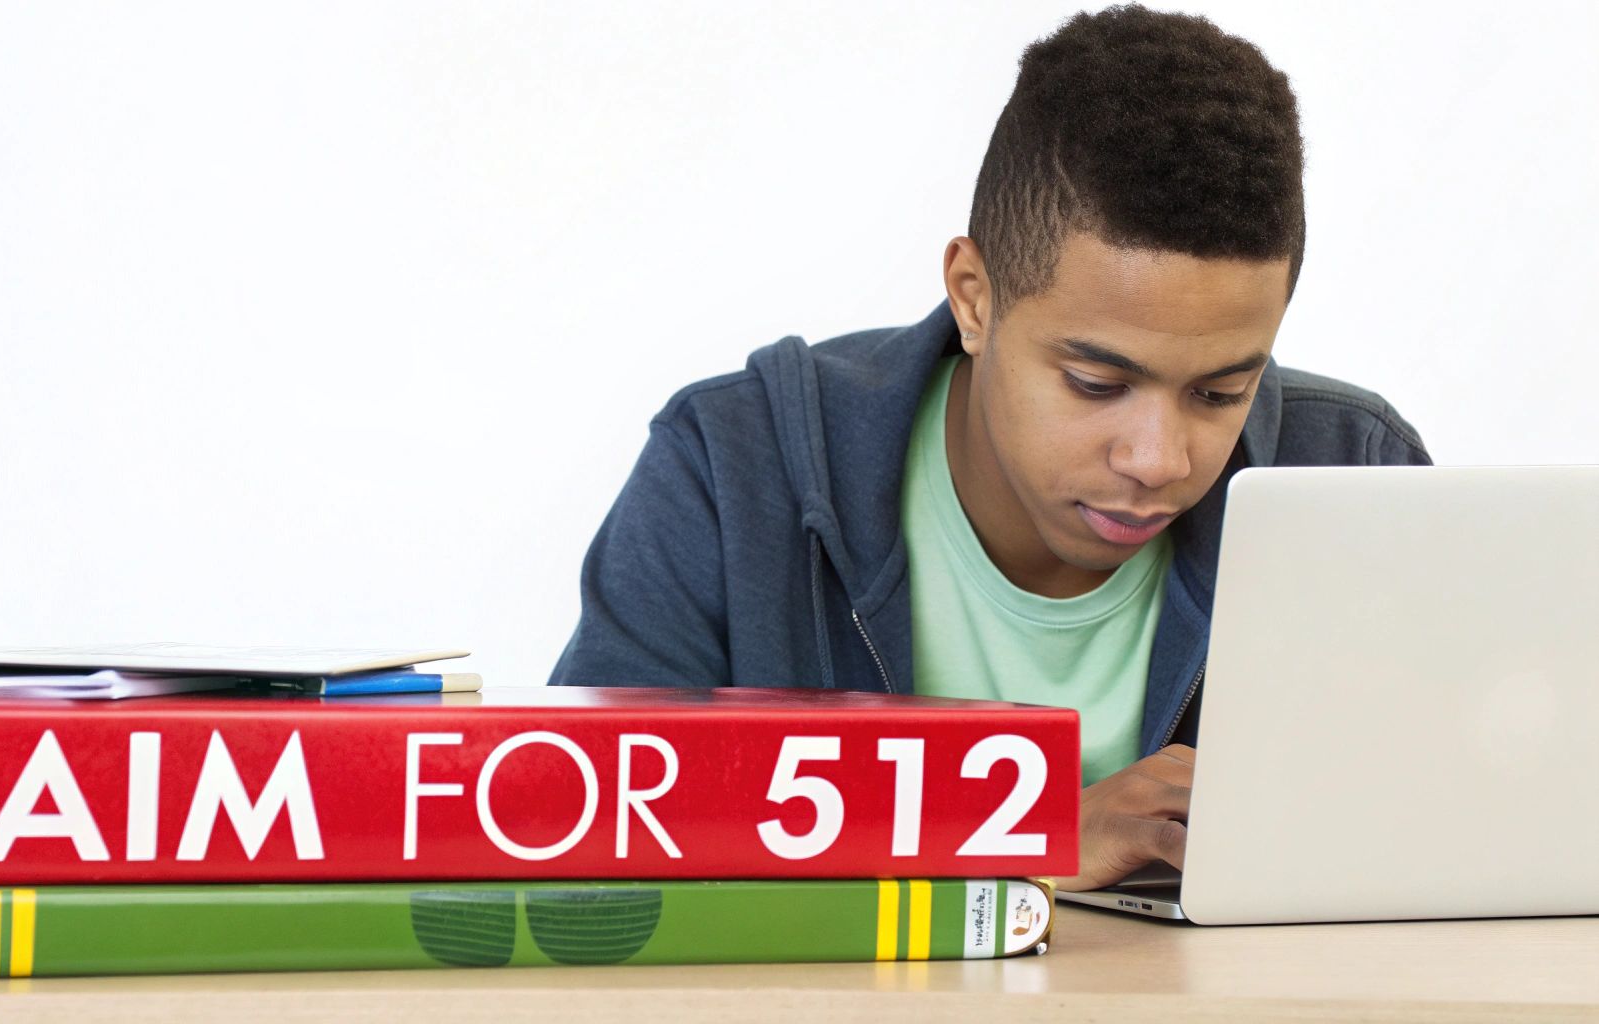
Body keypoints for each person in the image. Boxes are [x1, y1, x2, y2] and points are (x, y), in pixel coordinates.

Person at [547, 4, 1430, 891]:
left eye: (1220, 393)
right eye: (1096, 384)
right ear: (975, 298)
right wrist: (1024, 837)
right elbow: (570, 831)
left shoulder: (1357, 474)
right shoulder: (735, 468)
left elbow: (1468, 829)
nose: (1158, 459)